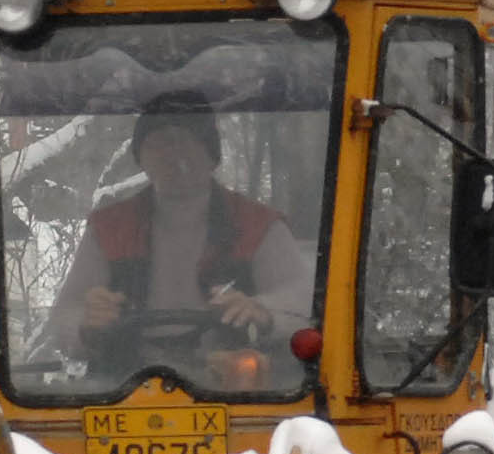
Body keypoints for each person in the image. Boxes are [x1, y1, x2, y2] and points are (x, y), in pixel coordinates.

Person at [41, 96, 314, 373]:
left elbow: (304, 307)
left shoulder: (258, 225)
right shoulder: (108, 228)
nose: (173, 155)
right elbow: (63, 320)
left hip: (235, 389)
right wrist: (86, 324)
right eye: (159, 143)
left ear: (211, 153)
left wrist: (264, 312)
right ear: (141, 157)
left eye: (185, 140)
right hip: (125, 389)